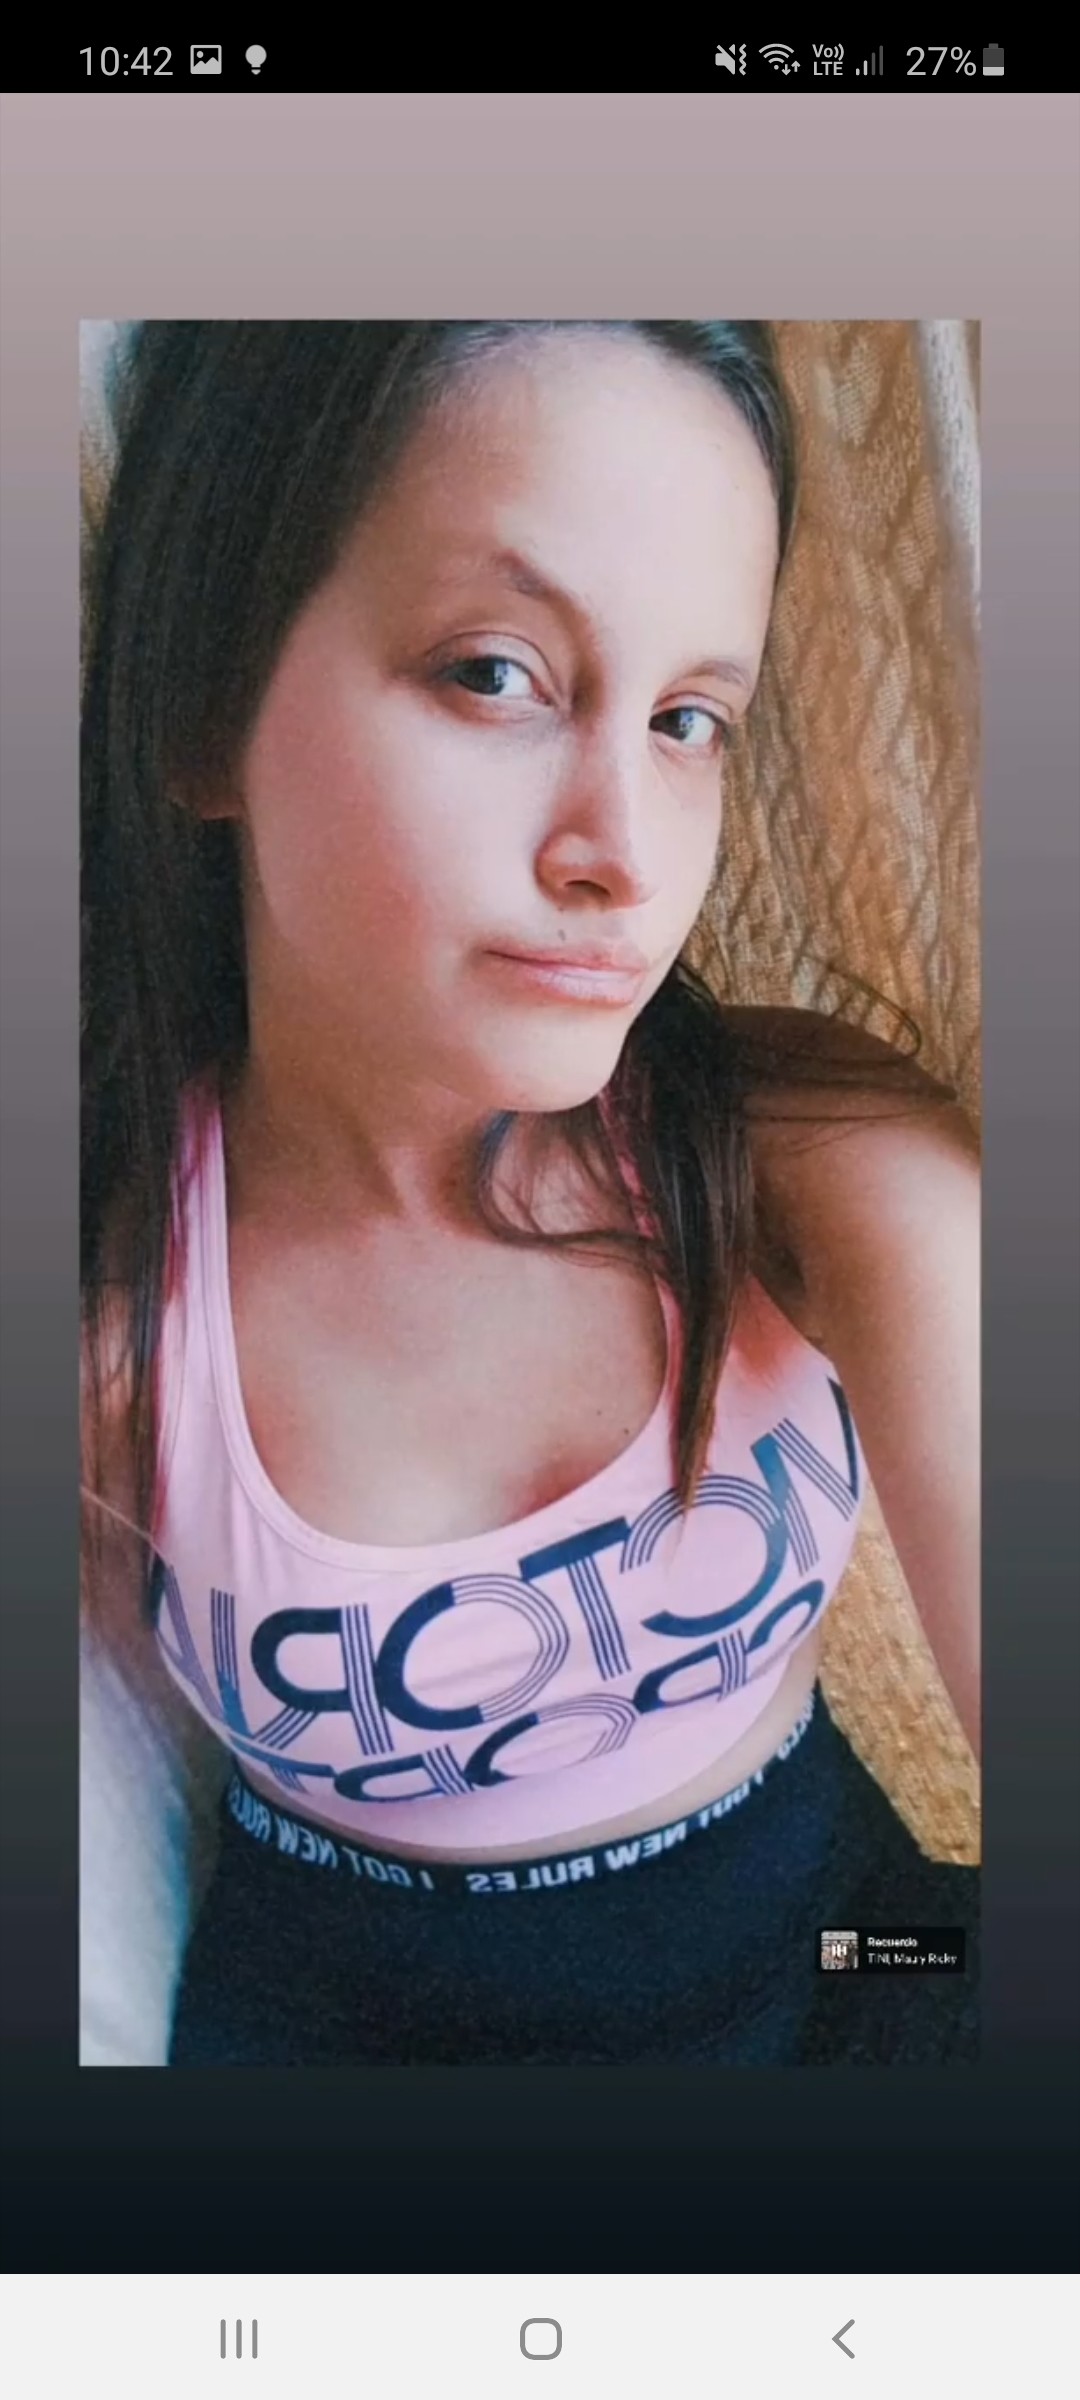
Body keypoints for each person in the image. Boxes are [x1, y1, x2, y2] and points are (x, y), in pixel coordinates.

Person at [80, 319, 980, 2065]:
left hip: (842, 1950)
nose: (625, 855)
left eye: (690, 719)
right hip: (353, 2041)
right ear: (203, 712)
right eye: (496, 674)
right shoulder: (120, 1292)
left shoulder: (829, 1174)